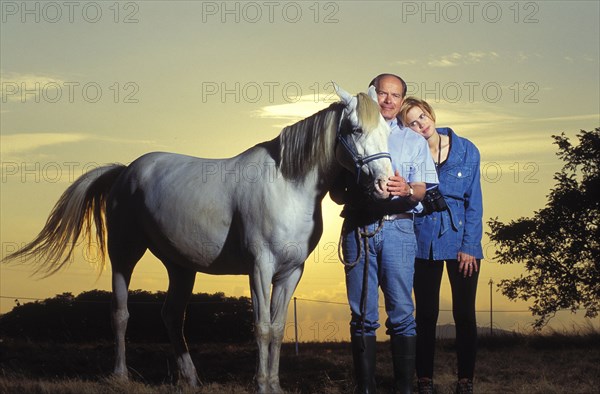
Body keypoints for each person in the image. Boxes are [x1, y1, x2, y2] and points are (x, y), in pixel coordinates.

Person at [331, 74, 438, 393]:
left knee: (403, 312)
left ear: (402, 101)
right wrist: (358, 190)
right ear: (371, 95)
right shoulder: (348, 132)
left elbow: (422, 190)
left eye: (395, 95)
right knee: (362, 314)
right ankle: (366, 388)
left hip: (399, 229)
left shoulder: (414, 141)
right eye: (382, 93)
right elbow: (335, 190)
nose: (388, 100)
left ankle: (404, 389)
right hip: (359, 229)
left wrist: (406, 188)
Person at [398, 97, 483, 394]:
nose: (421, 124)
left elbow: (475, 204)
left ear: (430, 114)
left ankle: (465, 380)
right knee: (426, 314)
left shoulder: (467, 150)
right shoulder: (410, 152)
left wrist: (470, 245)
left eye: (422, 117)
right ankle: (424, 380)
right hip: (422, 242)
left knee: (464, 313)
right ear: (406, 129)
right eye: (412, 123)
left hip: (462, 242)